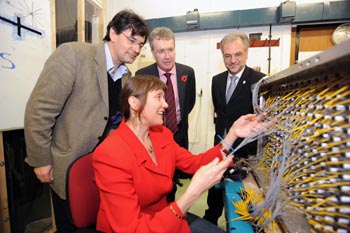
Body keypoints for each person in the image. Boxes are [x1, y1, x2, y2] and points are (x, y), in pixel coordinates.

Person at [92, 75, 275, 233]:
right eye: (159, 97)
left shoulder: (161, 135)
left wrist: (233, 134)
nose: (166, 104)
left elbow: (194, 163)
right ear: (134, 102)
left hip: (163, 217)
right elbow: (132, 229)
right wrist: (191, 194)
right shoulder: (109, 154)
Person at [24, 10, 148, 232]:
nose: (137, 49)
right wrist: (40, 160)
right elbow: (39, 110)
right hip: (69, 168)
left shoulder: (126, 76)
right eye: (132, 40)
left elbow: (112, 121)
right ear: (112, 32)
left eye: (140, 45)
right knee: (70, 226)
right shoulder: (73, 55)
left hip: (101, 171)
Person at [203, 32, 266, 225]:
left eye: (238, 54)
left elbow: (261, 120)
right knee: (214, 191)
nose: (232, 60)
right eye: (227, 55)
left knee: (243, 202)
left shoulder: (260, 82)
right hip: (222, 146)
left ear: (247, 53)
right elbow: (221, 115)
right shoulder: (217, 81)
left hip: (246, 153)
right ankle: (209, 222)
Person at [135, 26, 196, 201]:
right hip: (152, 138)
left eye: (170, 49)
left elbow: (188, 104)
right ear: (153, 53)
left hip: (177, 135)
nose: (167, 56)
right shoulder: (142, 75)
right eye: (161, 51)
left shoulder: (187, 73)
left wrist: (175, 122)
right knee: (156, 183)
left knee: (173, 181)